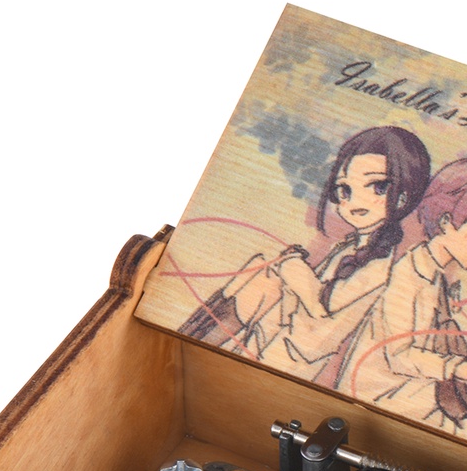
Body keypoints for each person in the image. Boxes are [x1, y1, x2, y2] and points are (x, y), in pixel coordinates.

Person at [179, 126, 431, 377]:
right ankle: (188, 343)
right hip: (286, 328)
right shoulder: (349, 246)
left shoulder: (380, 264)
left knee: (270, 275)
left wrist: (293, 268)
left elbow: (320, 308)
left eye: (378, 187)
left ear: (403, 196)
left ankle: (189, 346)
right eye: (345, 190)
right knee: (263, 270)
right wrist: (286, 270)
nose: (356, 201)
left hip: (296, 355)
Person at [338, 158, 467, 442]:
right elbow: (398, 356)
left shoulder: (434, 277)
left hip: (399, 392)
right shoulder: (409, 274)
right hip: (372, 399)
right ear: (447, 221)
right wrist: (456, 368)